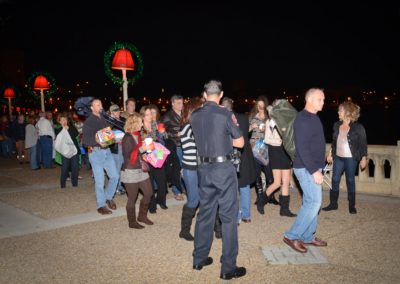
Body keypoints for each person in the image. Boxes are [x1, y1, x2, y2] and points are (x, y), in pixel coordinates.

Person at [191, 80, 246, 280]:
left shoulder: (194, 115)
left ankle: (199, 258)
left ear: (205, 95)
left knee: (205, 213)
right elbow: (240, 142)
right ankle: (228, 268)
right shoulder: (225, 113)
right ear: (220, 94)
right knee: (229, 217)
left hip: (203, 168)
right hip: (223, 169)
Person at [283, 88, 328, 253]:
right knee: (314, 202)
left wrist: (321, 164)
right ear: (309, 100)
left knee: (312, 203)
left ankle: (308, 237)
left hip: (313, 167)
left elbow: (314, 144)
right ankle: (292, 235)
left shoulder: (314, 118)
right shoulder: (302, 119)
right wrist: (314, 171)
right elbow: (302, 148)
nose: (323, 102)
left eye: (323, 99)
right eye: (320, 99)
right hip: (306, 168)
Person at [323, 101, 368, 214]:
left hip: (351, 159)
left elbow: (363, 144)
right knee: (335, 179)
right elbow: (334, 142)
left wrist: (363, 158)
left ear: (347, 112)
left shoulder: (358, 127)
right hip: (338, 157)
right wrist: (330, 154)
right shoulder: (336, 125)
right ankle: (333, 204)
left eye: (340, 110)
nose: (338, 112)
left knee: (350, 180)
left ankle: (351, 206)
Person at [221, 97, 257, 224]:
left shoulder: (222, 119)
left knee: (233, 188)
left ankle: (236, 217)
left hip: (231, 157)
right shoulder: (243, 118)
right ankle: (246, 215)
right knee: (245, 186)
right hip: (245, 156)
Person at [257, 108, 297, 217]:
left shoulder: (287, 122)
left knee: (286, 181)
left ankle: (284, 209)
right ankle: (261, 201)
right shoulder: (270, 122)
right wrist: (280, 141)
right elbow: (267, 139)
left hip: (285, 153)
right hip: (275, 152)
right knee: (277, 182)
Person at [82, 98, 119, 215]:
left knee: (115, 176)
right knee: (99, 181)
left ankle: (108, 197)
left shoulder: (104, 118)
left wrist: (113, 124)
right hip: (96, 153)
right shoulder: (88, 122)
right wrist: (98, 139)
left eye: (101, 104)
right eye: (97, 105)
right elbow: (85, 141)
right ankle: (101, 205)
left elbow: (108, 132)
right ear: (92, 108)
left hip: (107, 151)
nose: (100, 107)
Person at [121, 113, 154, 229]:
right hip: (130, 171)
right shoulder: (127, 137)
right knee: (132, 197)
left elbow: (137, 153)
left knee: (149, 193)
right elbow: (129, 155)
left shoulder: (137, 135)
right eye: (140, 122)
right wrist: (143, 149)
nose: (142, 124)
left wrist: (143, 155)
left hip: (140, 168)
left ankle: (142, 216)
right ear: (134, 123)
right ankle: (132, 222)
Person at [178, 97, 203, 241]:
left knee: (207, 199)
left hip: (200, 168)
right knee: (194, 200)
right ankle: (184, 230)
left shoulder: (195, 125)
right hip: (191, 169)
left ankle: (215, 228)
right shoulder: (189, 127)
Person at [248, 96, 278, 205]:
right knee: (257, 173)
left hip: (266, 146)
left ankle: (270, 196)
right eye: (258, 105)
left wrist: (267, 128)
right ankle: (260, 197)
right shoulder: (252, 116)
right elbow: (245, 130)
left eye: (262, 105)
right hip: (254, 146)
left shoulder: (269, 117)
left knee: (269, 172)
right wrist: (251, 127)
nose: (260, 107)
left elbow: (275, 130)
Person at [162, 94, 185, 200]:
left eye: (182, 103)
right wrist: (176, 135)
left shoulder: (186, 114)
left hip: (187, 144)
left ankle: (184, 187)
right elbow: (162, 132)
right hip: (176, 146)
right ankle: (177, 190)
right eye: (179, 103)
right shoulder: (167, 116)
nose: (181, 105)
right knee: (177, 168)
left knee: (186, 168)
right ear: (173, 104)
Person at [58, 113, 80, 188]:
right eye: (62, 120)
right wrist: (64, 130)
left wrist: (69, 129)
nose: (64, 121)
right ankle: (63, 184)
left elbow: (76, 134)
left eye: (65, 120)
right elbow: (58, 140)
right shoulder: (59, 130)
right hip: (65, 152)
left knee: (75, 167)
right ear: (59, 121)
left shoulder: (72, 127)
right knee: (65, 167)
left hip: (74, 150)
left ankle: (75, 184)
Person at [109, 104, 126, 195]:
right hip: (115, 147)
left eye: (118, 110)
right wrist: (112, 120)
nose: (117, 112)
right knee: (117, 168)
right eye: (115, 110)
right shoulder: (108, 121)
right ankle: (117, 187)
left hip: (125, 146)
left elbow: (128, 130)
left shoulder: (123, 120)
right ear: (111, 112)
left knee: (124, 168)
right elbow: (106, 133)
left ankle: (121, 185)